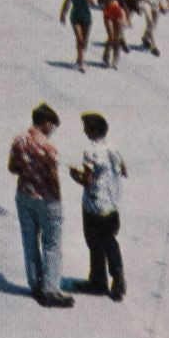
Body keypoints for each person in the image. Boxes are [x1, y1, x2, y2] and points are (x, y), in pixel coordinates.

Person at [9, 102, 72, 306]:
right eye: (52, 126)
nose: (52, 130)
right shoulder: (48, 147)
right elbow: (54, 178)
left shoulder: (20, 140)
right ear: (45, 122)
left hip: (24, 195)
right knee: (52, 244)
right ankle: (51, 289)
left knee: (29, 240)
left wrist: (29, 173)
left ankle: (35, 284)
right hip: (46, 200)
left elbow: (12, 167)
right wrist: (57, 201)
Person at [68, 111, 128, 300]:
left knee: (94, 242)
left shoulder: (91, 151)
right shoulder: (113, 148)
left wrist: (74, 175)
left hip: (94, 205)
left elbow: (87, 179)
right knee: (109, 242)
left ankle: (98, 280)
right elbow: (123, 169)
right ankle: (117, 279)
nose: (84, 130)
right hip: (111, 204)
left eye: (86, 127)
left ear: (93, 130)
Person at [59, 0, 94, 73]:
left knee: (85, 41)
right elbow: (66, 3)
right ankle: (81, 63)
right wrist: (63, 15)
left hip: (86, 17)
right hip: (75, 17)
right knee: (80, 39)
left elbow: (92, 3)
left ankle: (80, 58)